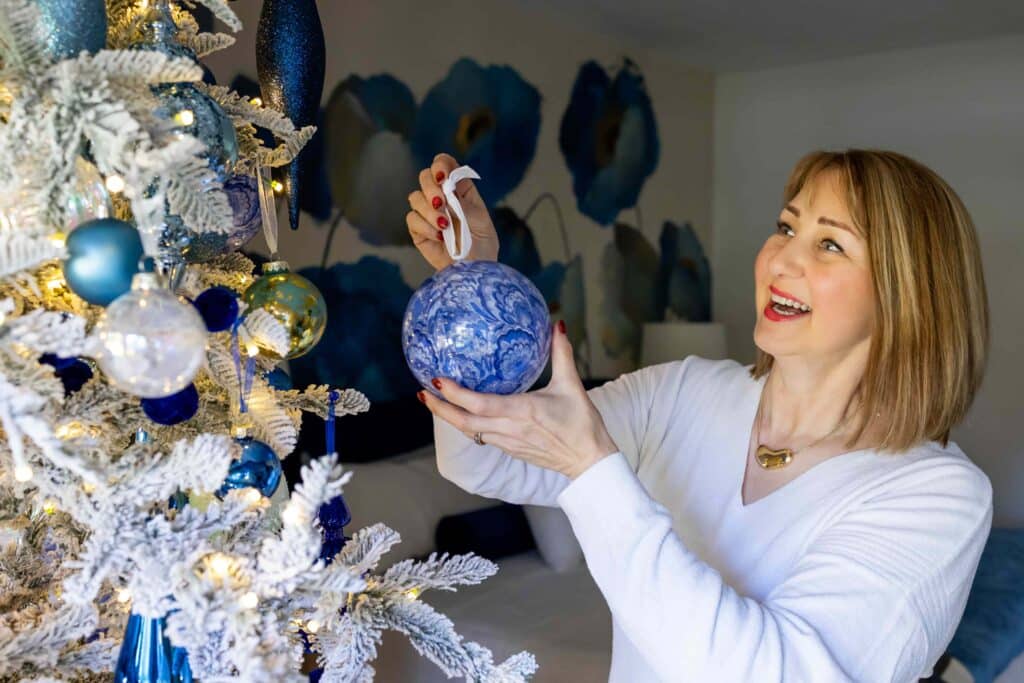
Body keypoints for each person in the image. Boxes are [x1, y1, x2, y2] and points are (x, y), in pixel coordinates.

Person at [405, 150, 993, 682]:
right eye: (787, 227)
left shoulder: (938, 493)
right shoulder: (683, 390)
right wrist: (473, 288)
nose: (781, 259)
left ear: (906, 294)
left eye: (830, 244)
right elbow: (485, 464)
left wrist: (593, 468)